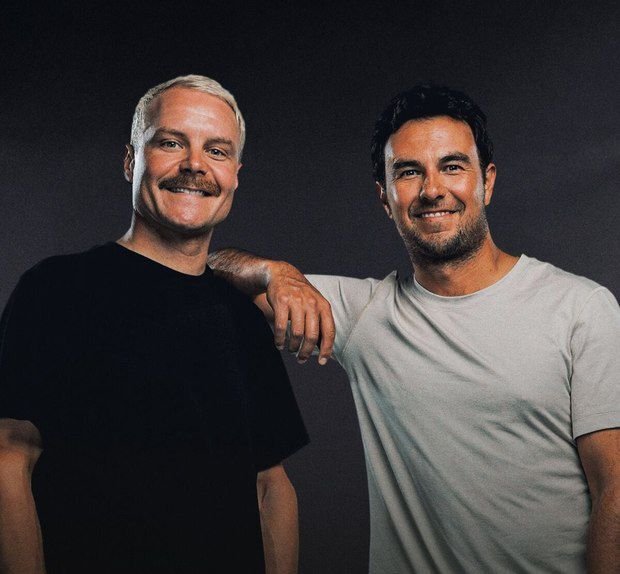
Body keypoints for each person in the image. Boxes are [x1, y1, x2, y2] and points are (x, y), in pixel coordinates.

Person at [208, 85, 620, 573]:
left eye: (452, 166)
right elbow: (206, 268)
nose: (432, 190)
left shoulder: (580, 309)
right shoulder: (364, 314)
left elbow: (614, 490)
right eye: (408, 172)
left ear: (487, 181)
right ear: (385, 197)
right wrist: (276, 273)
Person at [0, 75, 308, 574]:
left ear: (235, 175)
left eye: (216, 151)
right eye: (170, 143)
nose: (194, 165)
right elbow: (10, 456)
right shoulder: (57, 289)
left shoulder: (243, 315)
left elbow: (270, 486)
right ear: (130, 161)